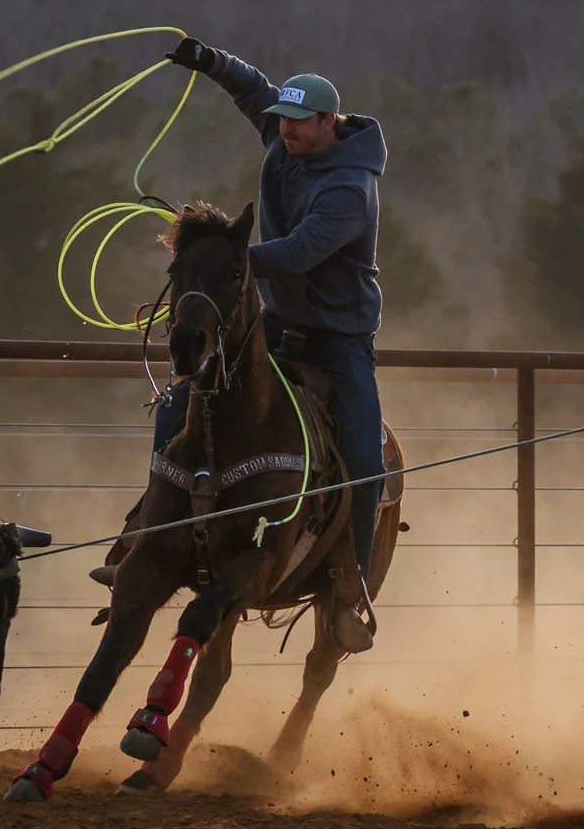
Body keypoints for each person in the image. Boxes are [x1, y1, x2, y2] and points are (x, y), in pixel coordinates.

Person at [96, 37, 387, 655]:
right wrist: (206, 59)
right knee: (181, 404)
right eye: (279, 120)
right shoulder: (285, 135)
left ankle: (346, 588)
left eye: (297, 123)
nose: (283, 130)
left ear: (327, 123)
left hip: (339, 341)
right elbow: (251, 86)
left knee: (365, 457)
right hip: (275, 327)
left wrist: (218, 265)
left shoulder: (349, 190)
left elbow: (302, 251)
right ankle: (146, 532)